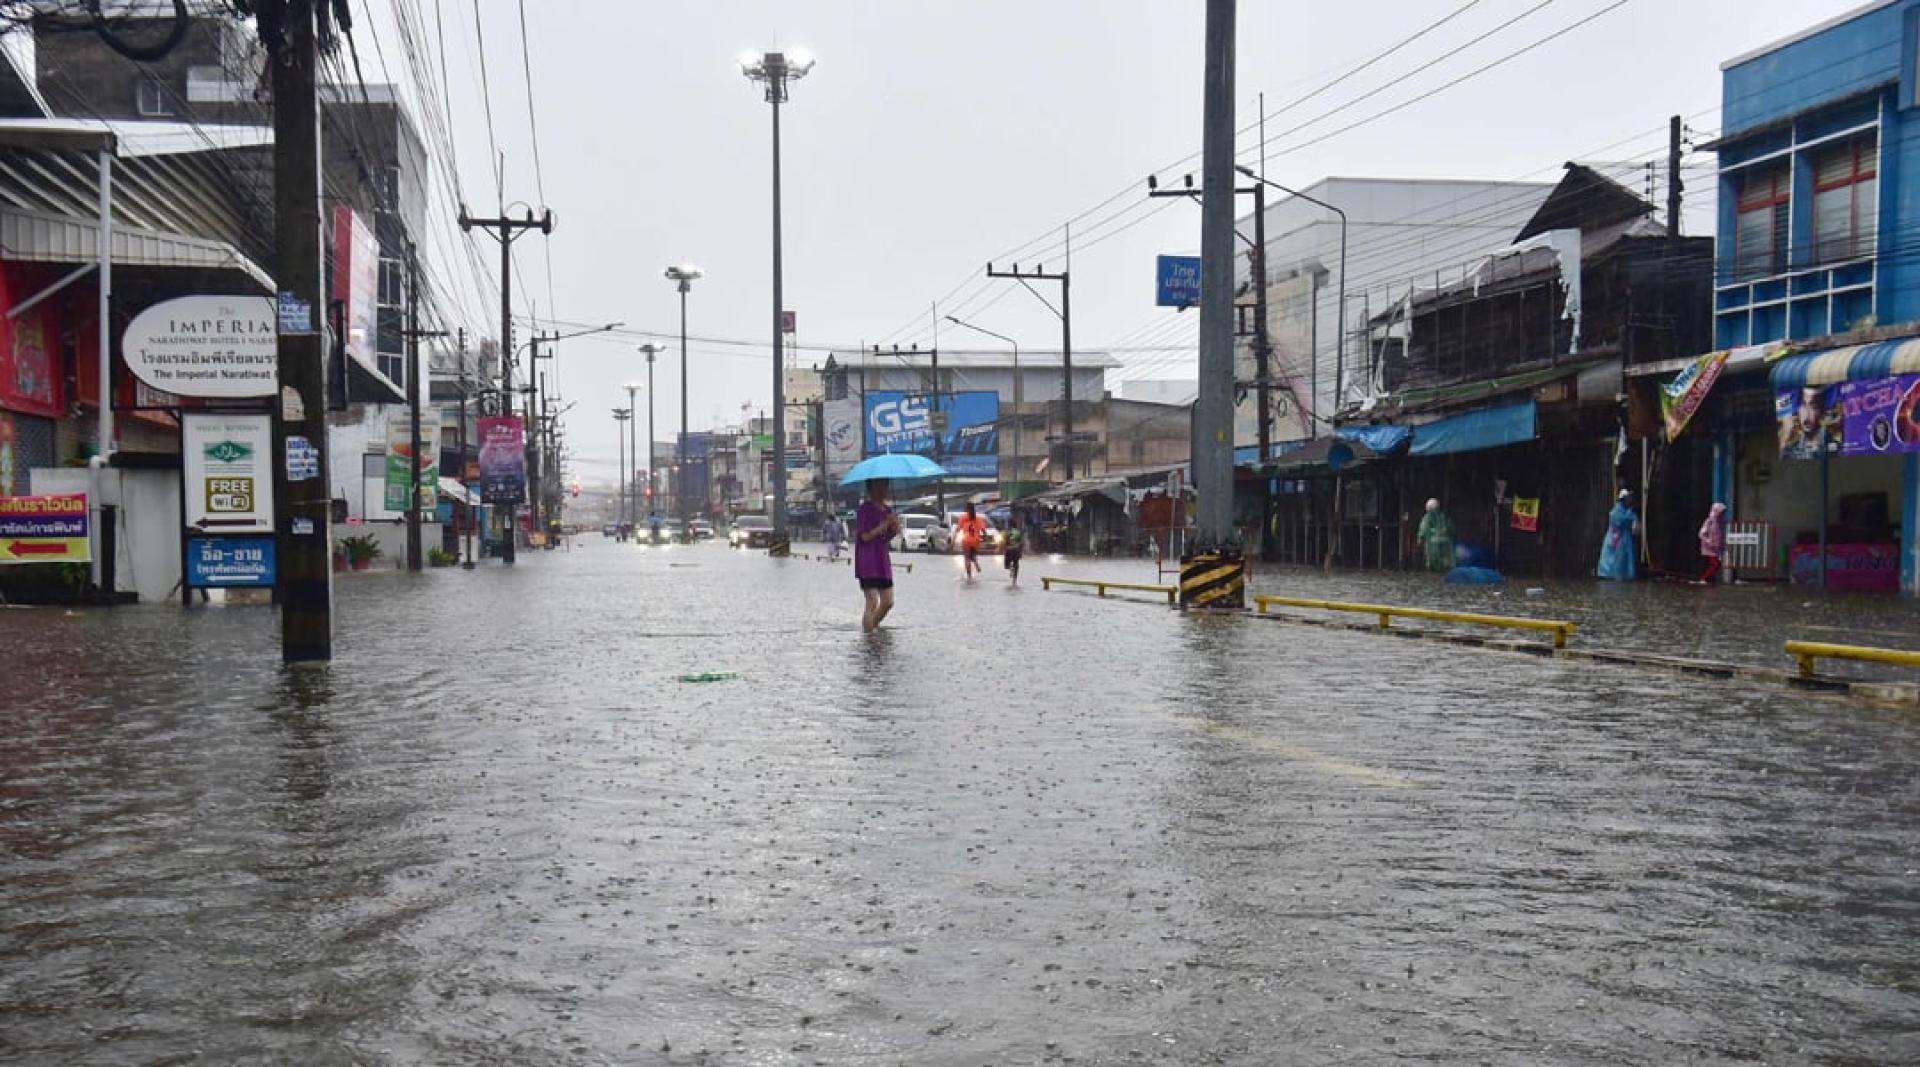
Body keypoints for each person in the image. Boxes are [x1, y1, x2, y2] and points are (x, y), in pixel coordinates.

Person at [856, 479, 901, 632]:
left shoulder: (888, 511)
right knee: (872, 600)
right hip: (867, 561)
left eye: (884, 486)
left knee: (888, 601)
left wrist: (894, 529)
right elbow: (865, 537)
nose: (882, 490)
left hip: (882, 561)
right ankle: (869, 638)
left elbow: (885, 538)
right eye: (878, 487)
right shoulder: (864, 510)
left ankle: (870, 630)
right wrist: (883, 525)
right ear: (871, 489)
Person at [1597, 489, 1638, 580]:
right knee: (1616, 558)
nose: (1629, 500)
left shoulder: (1623, 510)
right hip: (1618, 539)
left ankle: (1620, 574)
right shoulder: (1617, 510)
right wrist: (1631, 515)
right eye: (1628, 498)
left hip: (1621, 538)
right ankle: (1611, 574)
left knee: (1621, 558)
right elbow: (1622, 520)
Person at [1415, 498, 1455, 572]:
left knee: (1432, 563)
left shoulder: (1428, 517)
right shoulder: (1444, 516)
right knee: (1445, 562)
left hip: (1432, 544)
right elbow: (1451, 529)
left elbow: (1423, 528)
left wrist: (1419, 539)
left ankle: (1432, 573)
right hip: (1446, 543)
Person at [954, 502, 987, 580]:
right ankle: (975, 560)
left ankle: (969, 577)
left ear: (966, 509)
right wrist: (984, 539)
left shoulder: (962, 517)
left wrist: (953, 541)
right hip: (975, 540)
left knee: (967, 558)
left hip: (966, 540)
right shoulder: (978, 518)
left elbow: (957, 530)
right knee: (974, 555)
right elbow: (984, 531)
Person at [1698, 501, 1727, 584]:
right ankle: (1704, 578)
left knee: (1715, 564)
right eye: (1721, 512)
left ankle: (1707, 578)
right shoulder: (1710, 521)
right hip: (1709, 547)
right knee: (1715, 564)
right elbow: (1701, 533)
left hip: (1714, 547)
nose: (1722, 514)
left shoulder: (1717, 522)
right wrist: (1708, 541)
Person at [1002, 518, 1024, 585]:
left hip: (1009, 550)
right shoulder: (1018, 532)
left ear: (1008, 524)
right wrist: (1020, 551)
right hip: (1016, 550)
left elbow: (1005, 542)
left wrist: (1003, 550)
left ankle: (1011, 568)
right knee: (1016, 564)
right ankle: (1014, 581)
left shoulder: (1006, 532)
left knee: (1006, 566)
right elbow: (1022, 543)